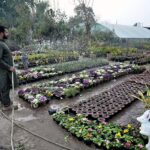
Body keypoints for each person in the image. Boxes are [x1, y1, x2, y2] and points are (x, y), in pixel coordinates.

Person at [0, 25, 18, 111]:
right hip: (4, 71)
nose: (8, 33)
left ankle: (5, 102)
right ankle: (6, 106)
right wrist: (9, 67)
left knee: (5, 87)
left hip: (5, 71)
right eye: (6, 32)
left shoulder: (2, 43)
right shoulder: (0, 44)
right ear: (1, 33)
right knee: (5, 87)